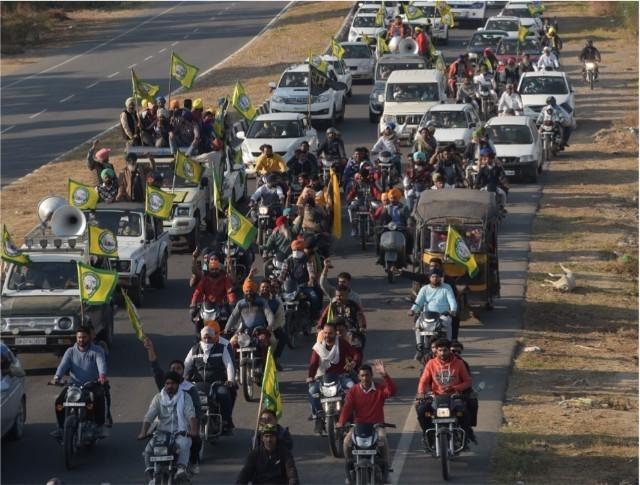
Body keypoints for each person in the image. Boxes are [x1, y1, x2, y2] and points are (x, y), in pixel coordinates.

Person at [143, 336, 203, 472]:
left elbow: (196, 410)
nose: (175, 370)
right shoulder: (164, 388)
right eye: (172, 368)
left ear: (183, 371)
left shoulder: (189, 388)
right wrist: (150, 349)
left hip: (183, 428)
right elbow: (155, 368)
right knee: (150, 446)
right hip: (164, 427)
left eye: (178, 368)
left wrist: (194, 429)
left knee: (196, 442)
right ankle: (151, 470)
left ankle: (191, 464)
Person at [338, 361, 396, 483]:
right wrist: (341, 423)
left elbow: (392, 391)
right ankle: (350, 469)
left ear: (371, 376)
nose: (365, 378)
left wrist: (385, 375)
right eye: (362, 375)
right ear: (359, 377)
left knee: (383, 440)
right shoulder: (353, 390)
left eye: (367, 375)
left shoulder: (379, 388)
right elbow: (347, 407)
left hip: (377, 425)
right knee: (346, 442)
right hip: (358, 426)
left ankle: (386, 469)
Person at [50, 327, 109, 440]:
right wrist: (57, 377)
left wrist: (102, 377)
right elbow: (63, 366)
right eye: (79, 337)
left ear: (89, 338)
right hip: (73, 386)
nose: (81, 340)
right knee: (59, 402)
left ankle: (99, 426)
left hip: (91, 385)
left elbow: (101, 364)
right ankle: (61, 427)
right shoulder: (70, 351)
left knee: (99, 397)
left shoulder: (96, 350)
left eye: (83, 337)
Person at [138, 371, 198, 481]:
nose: (169, 386)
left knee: (184, 443)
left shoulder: (185, 397)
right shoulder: (158, 398)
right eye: (167, 383)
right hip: (162, 434)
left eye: (172, 383)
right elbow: (149, 416)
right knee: (148, 449)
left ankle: (181, 468)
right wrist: (143, 432)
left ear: (178, 384)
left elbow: (190, 414)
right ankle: (150, 470)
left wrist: (193, 430)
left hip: (180, 432)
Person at [414, 339, 474, 446]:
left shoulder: (459, 363)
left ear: (449, 350)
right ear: (436, 351)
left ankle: (465, 438)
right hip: (435, 398)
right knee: (422, 411)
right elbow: (423, 381)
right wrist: (420, 393)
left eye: (445, 350)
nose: (442, 353)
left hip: (454, 398)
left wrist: (454, 388)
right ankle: (427, 435)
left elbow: (467, 382)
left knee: (464, 413)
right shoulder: (431, 364)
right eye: (440, 350)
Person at [306, 321, 359, 434]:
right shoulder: (318, 347)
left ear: (336, 333)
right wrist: (310, 377)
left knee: (353, 388)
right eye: (325, 333)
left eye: (330, 333)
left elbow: (355, 354)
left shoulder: (342, 343)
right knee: (312, 391)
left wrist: (353, 363)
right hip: (322, 378)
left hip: (341, 376)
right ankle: (319, 416)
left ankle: (353, 417)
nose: (327, 336)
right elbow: (313, 363)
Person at [184, 325, 236, 434]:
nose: (207, 340)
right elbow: (186, 365)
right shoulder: (194, 350)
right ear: (201, 338)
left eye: (209, 338)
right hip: (198, 384)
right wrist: (183, 379)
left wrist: (230, 379)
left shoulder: (222, 348)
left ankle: (226, 421)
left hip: (216, 384)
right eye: (205, 337)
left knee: (225, 394)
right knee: (185, 397)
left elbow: (229, 365)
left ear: (214, 338)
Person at [189, 255, 237, 332]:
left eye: (216, 269)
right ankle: (198, 338)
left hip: (221, 305)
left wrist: (232, 303)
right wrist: (193, 304)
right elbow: (197, 292)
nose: (214, 271)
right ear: (209, 269)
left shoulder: (224, 278)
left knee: (228, 319)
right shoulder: (205, 278)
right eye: (212, 269)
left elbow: (229, 292)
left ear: (219, 269)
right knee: (196, 319)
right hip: (206, 306)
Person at [278, 239, 321, 320]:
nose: (297, 251)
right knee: (278, 300)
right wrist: (278, 282)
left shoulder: (307, 260)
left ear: (302, 250)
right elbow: (282, 274)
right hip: (290, 288)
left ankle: (314, 317)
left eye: (299, 250)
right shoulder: (287, 261)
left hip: (304, 287)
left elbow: (311, 272)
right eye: (295, 250)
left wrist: (311, 280)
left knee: (314, 297)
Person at [377, 188, 414, 264]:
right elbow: (382, 218)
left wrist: (409, 225)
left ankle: (407, 255)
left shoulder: (404, 208)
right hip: (388, 228)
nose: (392, 200)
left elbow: (408, 218)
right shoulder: (386, 208)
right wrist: (381, 224)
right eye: (391, 198)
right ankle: (380, 255)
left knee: (410, 237)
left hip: (401, 228)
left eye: (394, 198)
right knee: (378, 235)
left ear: (398, 198)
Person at [259, 279, 287, 369]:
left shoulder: (276, 301)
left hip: (271, 327)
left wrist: (271, 328)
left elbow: (280, 318)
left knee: (280, 338)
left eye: (267, 287)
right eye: (263, 287)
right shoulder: (255, 299)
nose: (265, 289)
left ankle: (273, 358)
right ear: (259, 288)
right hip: (255, 327)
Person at [346, 172, 381, 237]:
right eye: (360, 178)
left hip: (370, 202)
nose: (361, 179)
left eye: (363, 177)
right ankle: (354, 228)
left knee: (380, 208)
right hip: (359, 202)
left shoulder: (370, 184)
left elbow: (376, 192)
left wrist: (380, 198)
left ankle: (377, 226)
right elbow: (352, 193)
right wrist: (349, 198)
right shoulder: (356, 185)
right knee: (350, 208)